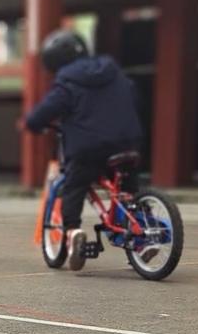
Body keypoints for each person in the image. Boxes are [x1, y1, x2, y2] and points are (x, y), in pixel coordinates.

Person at [22, 29, 143, 271]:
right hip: (128, 142)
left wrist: (31, 123)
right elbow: (134, 95)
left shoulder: (68, 82)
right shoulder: (113, 71)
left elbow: (45, 111)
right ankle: (141, 227)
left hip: (89, 149)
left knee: (74, 186)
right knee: (127, 189)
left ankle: (73, 232)